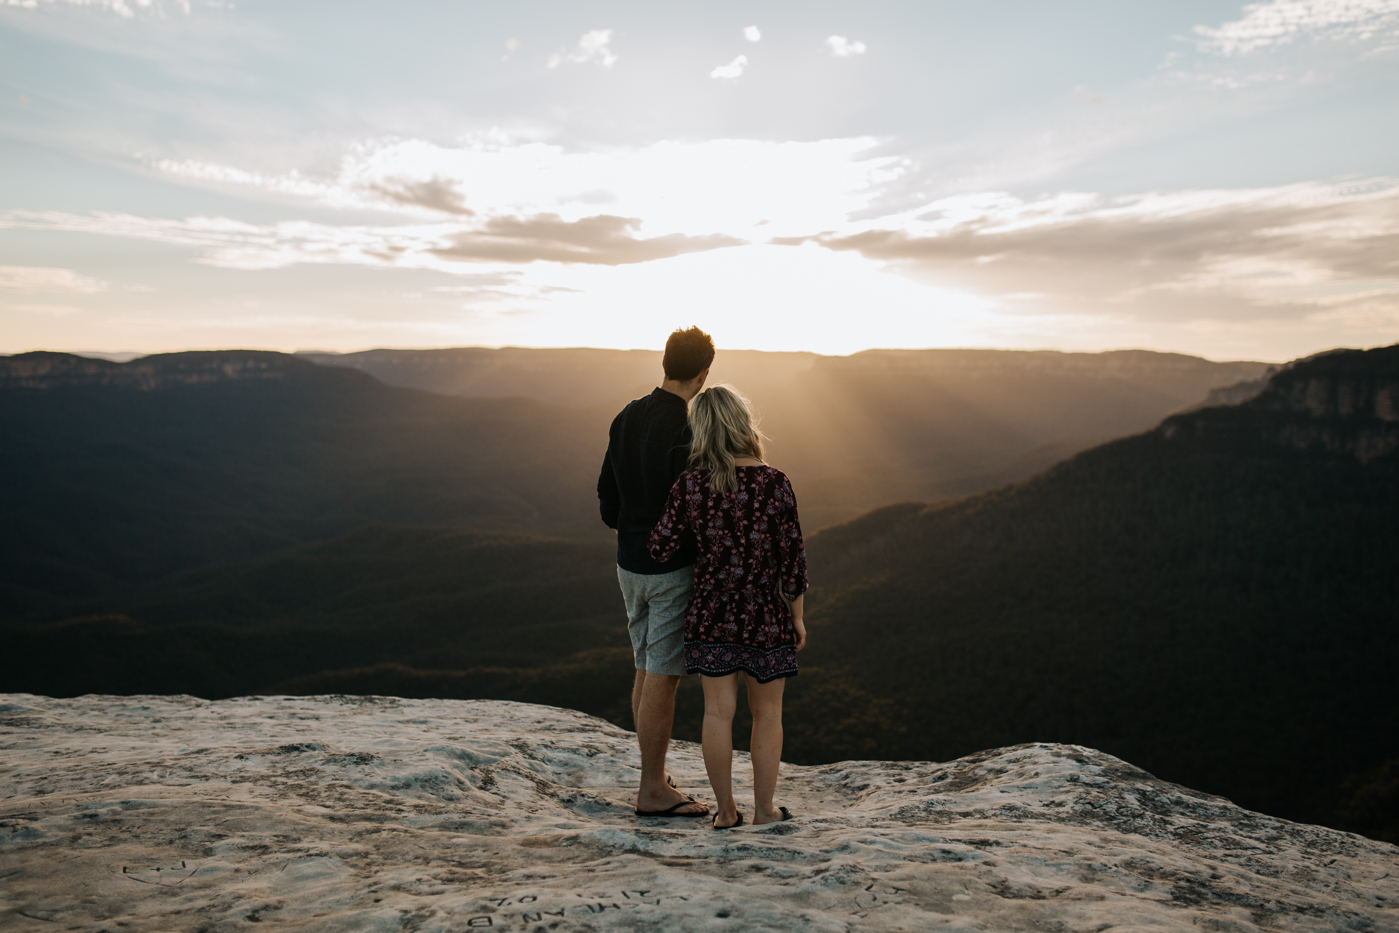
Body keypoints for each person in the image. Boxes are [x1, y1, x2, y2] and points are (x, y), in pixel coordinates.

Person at [647, 385, 808, 829]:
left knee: (718, 713)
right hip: (764, 614)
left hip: (710, 612)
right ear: (743, 424)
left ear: (701, 430)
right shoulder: (776, 482)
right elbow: (792, 559)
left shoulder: (691, 485)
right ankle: (764, 811)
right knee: (768, 714)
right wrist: (796, 615)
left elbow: (660, 547)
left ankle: (726, 812)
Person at [597, 326, 716, 819]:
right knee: (664, 674)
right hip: (670, 570)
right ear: (704, 375)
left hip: (628, 562)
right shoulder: (688, 431)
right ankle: (652, 788)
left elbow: (608, 497)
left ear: (664, 363)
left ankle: (652, 771)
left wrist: (630, 531)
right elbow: (695, 509)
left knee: (645, 665)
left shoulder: (626, 415)